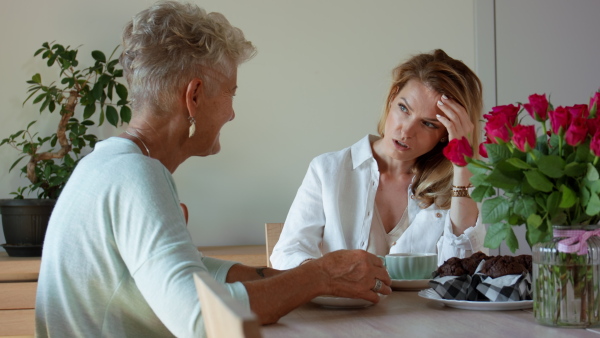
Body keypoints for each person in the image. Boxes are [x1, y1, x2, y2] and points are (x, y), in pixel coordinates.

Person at [34, 1, 391, 337]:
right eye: (231, 93)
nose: (232, 113)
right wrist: (319, 275)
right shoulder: (137, 176)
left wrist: (271, 276)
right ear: (195, 96)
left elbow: (181, 268)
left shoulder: (105, 165)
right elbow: (202, 320)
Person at [271, 49, 488, 270]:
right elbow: (287, 253)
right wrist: (327, 276)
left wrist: (462, 165)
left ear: (445, 134)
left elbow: (466, 269)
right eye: (404, 108)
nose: (406, 131)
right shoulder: (328, 171)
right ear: (392, 97)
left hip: (423, 306)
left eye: (428, 123)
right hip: (346, 304)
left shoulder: (461, 184)